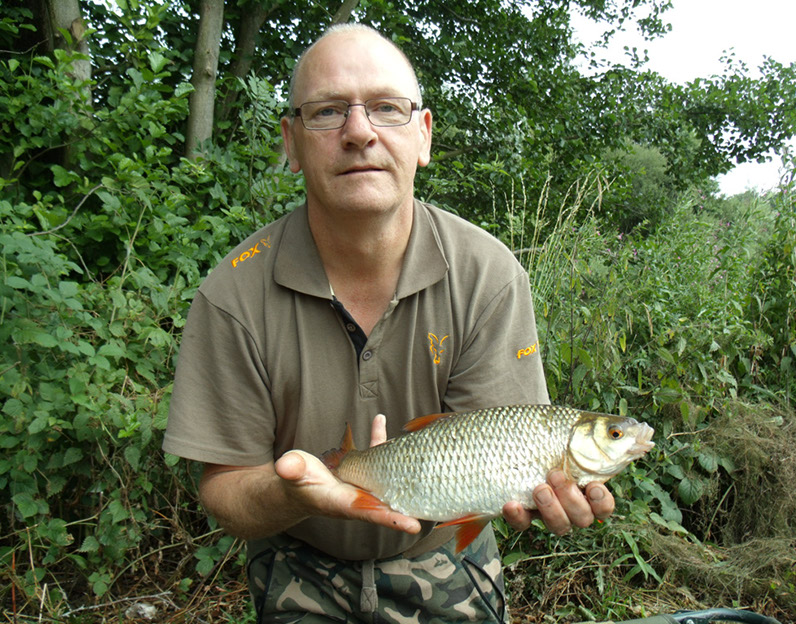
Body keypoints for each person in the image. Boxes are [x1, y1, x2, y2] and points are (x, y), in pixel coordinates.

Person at [163, 23, 615, 623]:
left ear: (423, 136)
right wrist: (293, 490)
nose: (359, 132)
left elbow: (501, 451)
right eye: (327, 112)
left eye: (386, 108)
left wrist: (546, 492)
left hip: (444, 555)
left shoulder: (489, 274)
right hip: (300, 557)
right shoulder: (231, 294)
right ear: (291, 144)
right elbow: (225, 492)